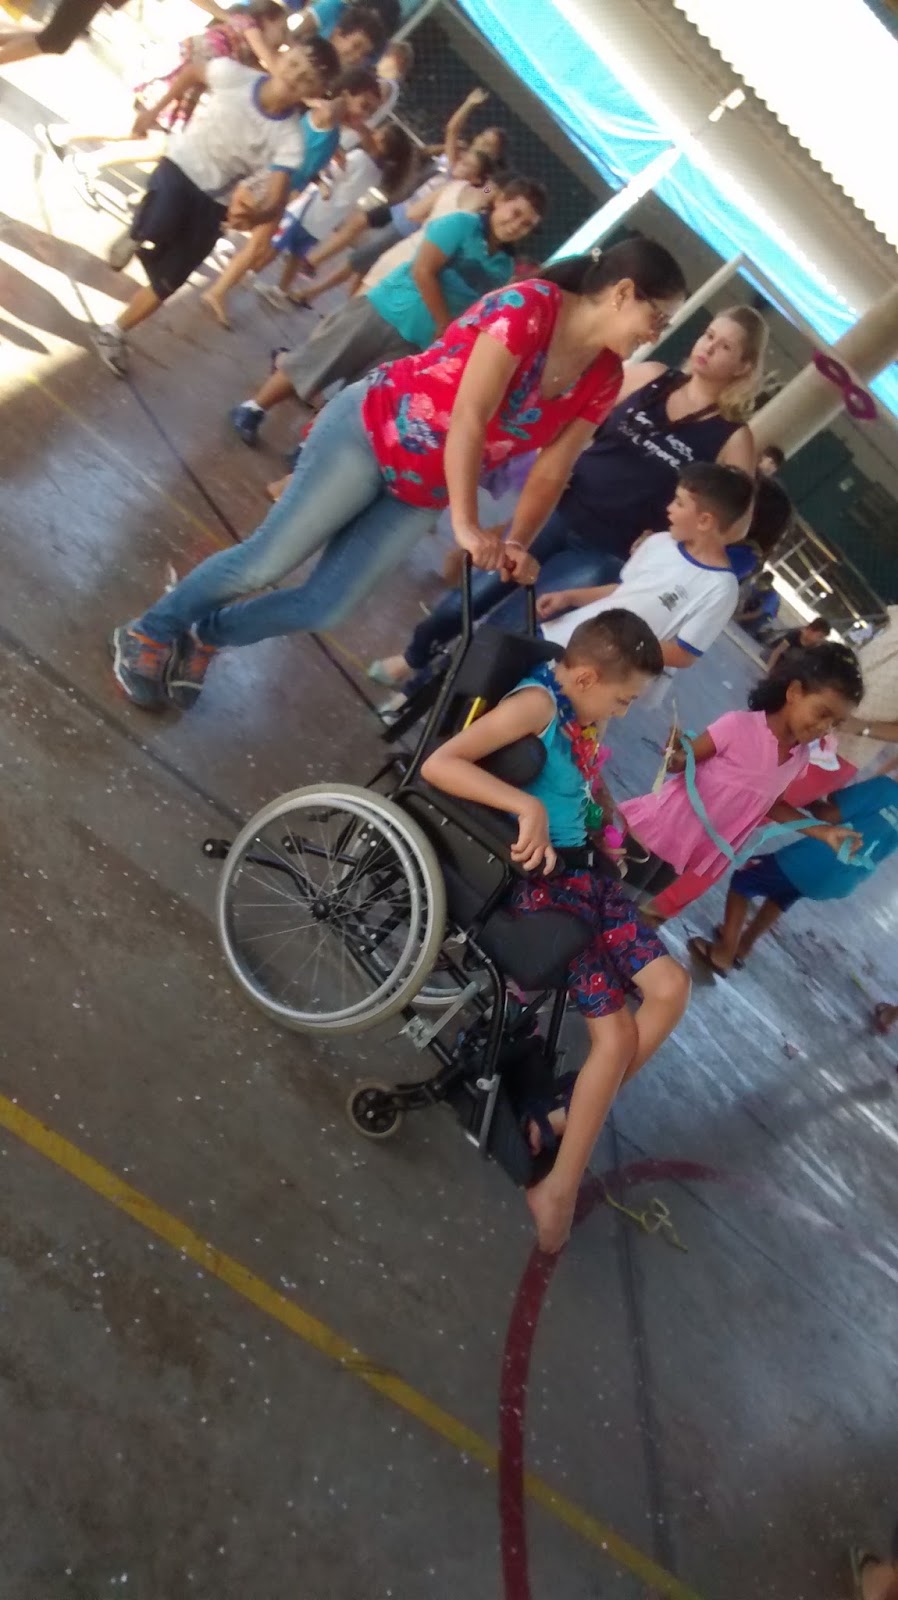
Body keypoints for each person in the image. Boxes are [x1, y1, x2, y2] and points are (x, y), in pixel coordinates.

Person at [108, 240, 688, 711]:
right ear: (622, 292)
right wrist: (466, 524)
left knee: (326, 606)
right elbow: (471, 414)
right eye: (657, 317)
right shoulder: (528, 308)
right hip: (370, 432)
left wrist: (516, 542)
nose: (656, 333)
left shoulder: (605, 376)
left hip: (423, 487)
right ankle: (149, 631)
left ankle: (207, 633)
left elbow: (553, 469)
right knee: (265, 562)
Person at [420, 609, 690, 1254]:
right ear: (588, 678)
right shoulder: (537, 705)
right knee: (614, 1036)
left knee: (672, 989)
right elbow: (439, 764)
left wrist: (610, 822)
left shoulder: (581, 714)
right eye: (623, 699)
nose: (624, 711)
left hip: (585, 876)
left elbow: (585, 780)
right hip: (545, 888)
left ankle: (572, 1114)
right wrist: (526, 806)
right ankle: (559, 1186)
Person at [371, 303, 766, 686]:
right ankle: (413, 658)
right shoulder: (651, 377)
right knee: (474, 594)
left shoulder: (732, 437)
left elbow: (734, 525)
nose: (708, 347)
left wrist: (674, 539)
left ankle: (436, 693)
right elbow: (577, 416)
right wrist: (553, 463)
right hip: (558, 511)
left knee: (514, 628)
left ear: (743, 367)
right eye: (708, 335)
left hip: (608, 549)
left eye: (725, 346)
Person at [229, 175, 548, 445]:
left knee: (357, 397)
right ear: (501, 200)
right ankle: (254, 407)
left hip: (416, 341)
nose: (516, 225)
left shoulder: (504, 265)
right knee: (317, 360)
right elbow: (424, 269)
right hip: (385, 308)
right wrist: (442, 323)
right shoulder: (461, 217)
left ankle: (308, 446)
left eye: (527, 225)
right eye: (516, 213)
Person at [91, 45, 331, 376]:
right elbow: (193, 70)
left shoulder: (291, 139)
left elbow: (278, 195)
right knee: (161, 217)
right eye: (294, 64)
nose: (295, 77)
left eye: (306, 79)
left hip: (215, 200)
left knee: (171, 280)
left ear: (314, 92)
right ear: (281, 58)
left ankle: (113, 332)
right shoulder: (235, 76)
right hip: (180, 166)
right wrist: (155, 110)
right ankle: (138, 233)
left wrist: (256, 217)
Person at [615, 644, 865, 944]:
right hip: (661, 829)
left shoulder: (799, 758)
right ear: (794, 692)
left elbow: (770, 805)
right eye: (822, 713)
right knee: (610, 899)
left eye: (835, 723)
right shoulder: (739, 726)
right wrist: (675, 751)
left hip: (689, 850)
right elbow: (681, 763)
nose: (825, 728)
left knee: (631, 910)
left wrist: (823, 832)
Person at [525, 462, 753, 709]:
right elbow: (621, 591)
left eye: (679, 503)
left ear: (705, 521)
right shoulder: (660, 542)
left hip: (597, 680)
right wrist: (569, 597)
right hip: (559, 637)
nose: (669, 508)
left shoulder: (720, 588)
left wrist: (620, 649)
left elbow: (684, 654)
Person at [198, 68, 391, 328]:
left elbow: (321, 146)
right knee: (252, 240)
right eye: (364, 106)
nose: (364, 115)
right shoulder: (327, 115)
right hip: (273, 182)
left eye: (370, 111)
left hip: (282, 188)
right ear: (345, 95)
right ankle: (217, 291)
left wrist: (337, 150)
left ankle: (218, 287)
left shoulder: (332, 129)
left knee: (253, 240)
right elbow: (331, 113)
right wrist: (348, 114)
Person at [697, 768, 898, 973]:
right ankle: (744, 945)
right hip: (845, 879)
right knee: (782, 895)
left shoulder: (885, 788)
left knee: (745, 878)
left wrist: (809, 797)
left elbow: (829, 814)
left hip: (813, 860)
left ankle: (725, 952)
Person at [276, 144, 493, 312]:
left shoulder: (463, 191)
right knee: (362, 263)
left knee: (359, 260)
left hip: (406, 227)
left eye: (468, 166)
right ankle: (335, 302)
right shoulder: (449, 174)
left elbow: (484, 195)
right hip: (400, 211)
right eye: (463, 161)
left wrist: (489, 186)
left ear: (476, 177)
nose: (460, 164)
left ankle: (313, 293)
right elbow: (450, 138)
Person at [736, 570, 780, 639]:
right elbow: (742, 596)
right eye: (757, 583)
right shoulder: (755, 586)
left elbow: (757, 613)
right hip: (755, 605)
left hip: (766, 616)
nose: (757, 586)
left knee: (748, 628)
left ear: (767, 586)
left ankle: (756, 632)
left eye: (759, 585)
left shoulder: (772, 596)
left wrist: (738, 617)